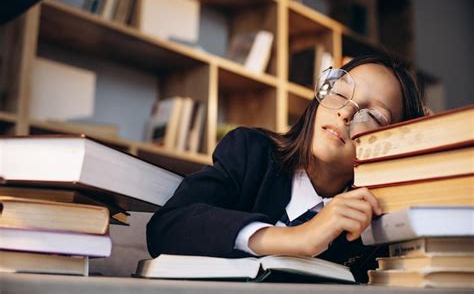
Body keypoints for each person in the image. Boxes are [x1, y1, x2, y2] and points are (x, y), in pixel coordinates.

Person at [146, 54, 426, 282]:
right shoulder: (250, 152)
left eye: (373, 116)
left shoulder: (377, 220)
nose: (346, 113)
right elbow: (165, 228)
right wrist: (296, 238)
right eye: (340, 92)